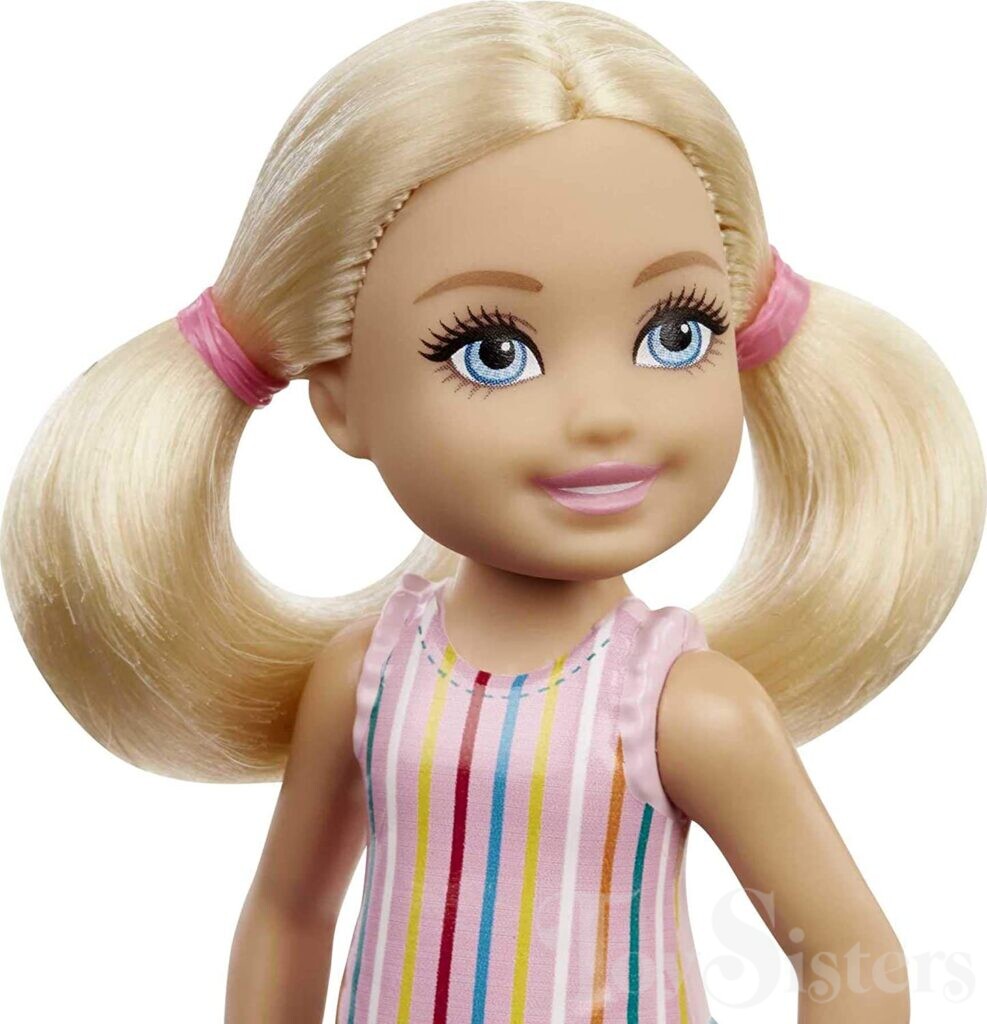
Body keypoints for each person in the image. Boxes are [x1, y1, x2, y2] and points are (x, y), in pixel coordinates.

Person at [2, 3, 982, 1022]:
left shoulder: (685, 709)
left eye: (676, 332)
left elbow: (851, 959)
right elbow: (290, 916)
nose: (603, 415)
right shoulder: (367, 681)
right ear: (339, 399)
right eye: (493, 351)